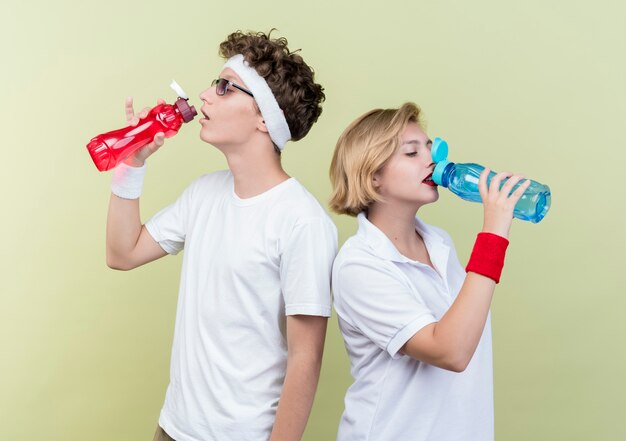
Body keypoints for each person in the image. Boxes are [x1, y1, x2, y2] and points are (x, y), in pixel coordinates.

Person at [105, 30, 337, 441]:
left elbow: (306, 359)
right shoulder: (203, 193)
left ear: (265, 118)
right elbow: (123, 253)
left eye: (225, 88)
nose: (204, 96)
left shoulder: (303, 222)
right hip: (173, 428)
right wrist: (132, 163)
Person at [328, 103, 530, 441]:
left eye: (429, 147)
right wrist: (493, 234)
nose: (431, 160)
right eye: (411, 152)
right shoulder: (359, 265)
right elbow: (450, 351)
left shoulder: (439, 244)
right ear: (373, 175)